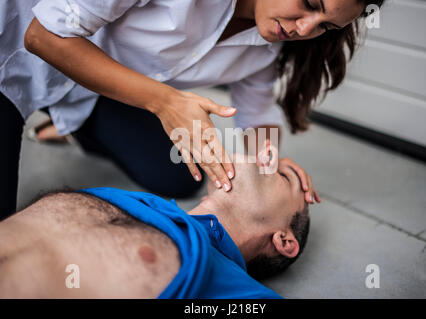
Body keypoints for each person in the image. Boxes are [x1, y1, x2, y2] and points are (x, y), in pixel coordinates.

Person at [0, 0, 384, 218]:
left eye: (326, 27)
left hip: (93, 88)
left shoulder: (269, 45)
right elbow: (42, 36)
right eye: (310, 4)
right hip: (16, 55)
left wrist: (269, 167)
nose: (305, 29)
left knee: (180, 176)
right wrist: (164, 101)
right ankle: (60, 116)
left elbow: (256, 115)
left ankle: (69, 124)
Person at [0, 153, 309, 299]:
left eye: (285, 177)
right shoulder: (143, 203)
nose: (268, 159)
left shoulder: (228, 283)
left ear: (284, 240)